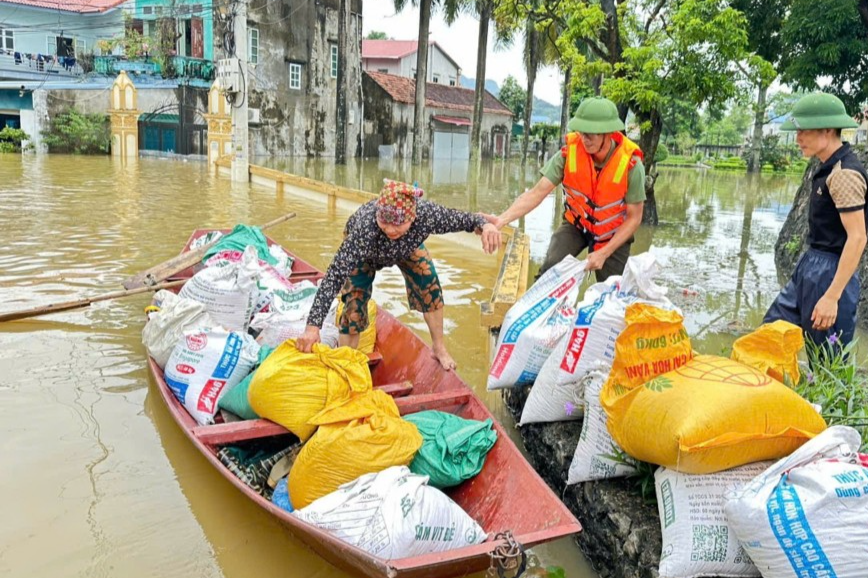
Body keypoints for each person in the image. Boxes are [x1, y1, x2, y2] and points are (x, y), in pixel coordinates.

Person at [296, 179, 501, 370]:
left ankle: (439, 347)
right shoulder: (365, 228)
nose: (390, 230)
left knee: (429, 281)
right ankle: (346, 362)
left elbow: (463, 219)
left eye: (398, 224)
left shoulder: (427, 215)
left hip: (407, 248)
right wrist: (313, 326)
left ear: (412, 217)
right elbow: (334, 275)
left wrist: (484, 225)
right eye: (384, 222)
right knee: (353, 304)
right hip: (366, 254)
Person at [484, 97, 646, 281]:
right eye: (581, 132)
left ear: (608, 133)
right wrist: (500, 220)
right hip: (577, 225)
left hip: (613, 233)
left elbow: (634, 218)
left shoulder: (631, 165)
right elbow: (537, 193)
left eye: (590, 134)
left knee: (613, 289)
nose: (584, 139)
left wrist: (604, 252)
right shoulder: (569, 153)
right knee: (549, 271)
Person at [764, 92, 867, 349]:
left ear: (827, 129)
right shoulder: (826, 167)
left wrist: (832, 296)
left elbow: (858, 237)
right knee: (770, 335)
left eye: (803, 131)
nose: (797, 139)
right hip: (810, 264)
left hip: (832, 271)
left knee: (825, 361)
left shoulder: (844, 173)